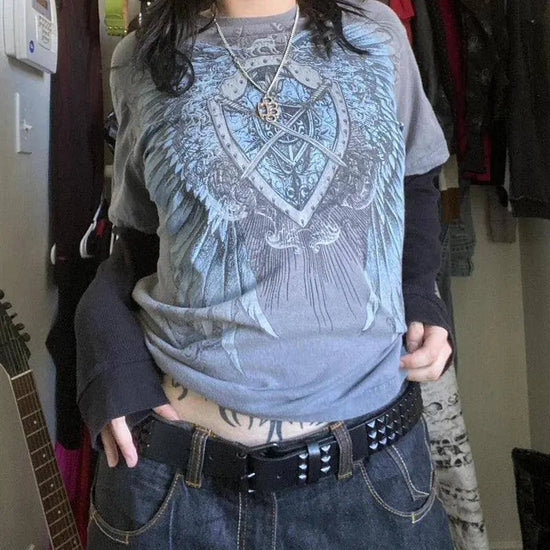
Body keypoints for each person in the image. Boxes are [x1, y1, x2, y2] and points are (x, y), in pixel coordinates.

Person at [75, 0, 456, 547]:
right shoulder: (141, 57)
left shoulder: (374, 31)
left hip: (371, 483)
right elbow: (139, 242)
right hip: (173, 486)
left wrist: (421, 294)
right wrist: (109, 360)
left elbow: (415, 177)